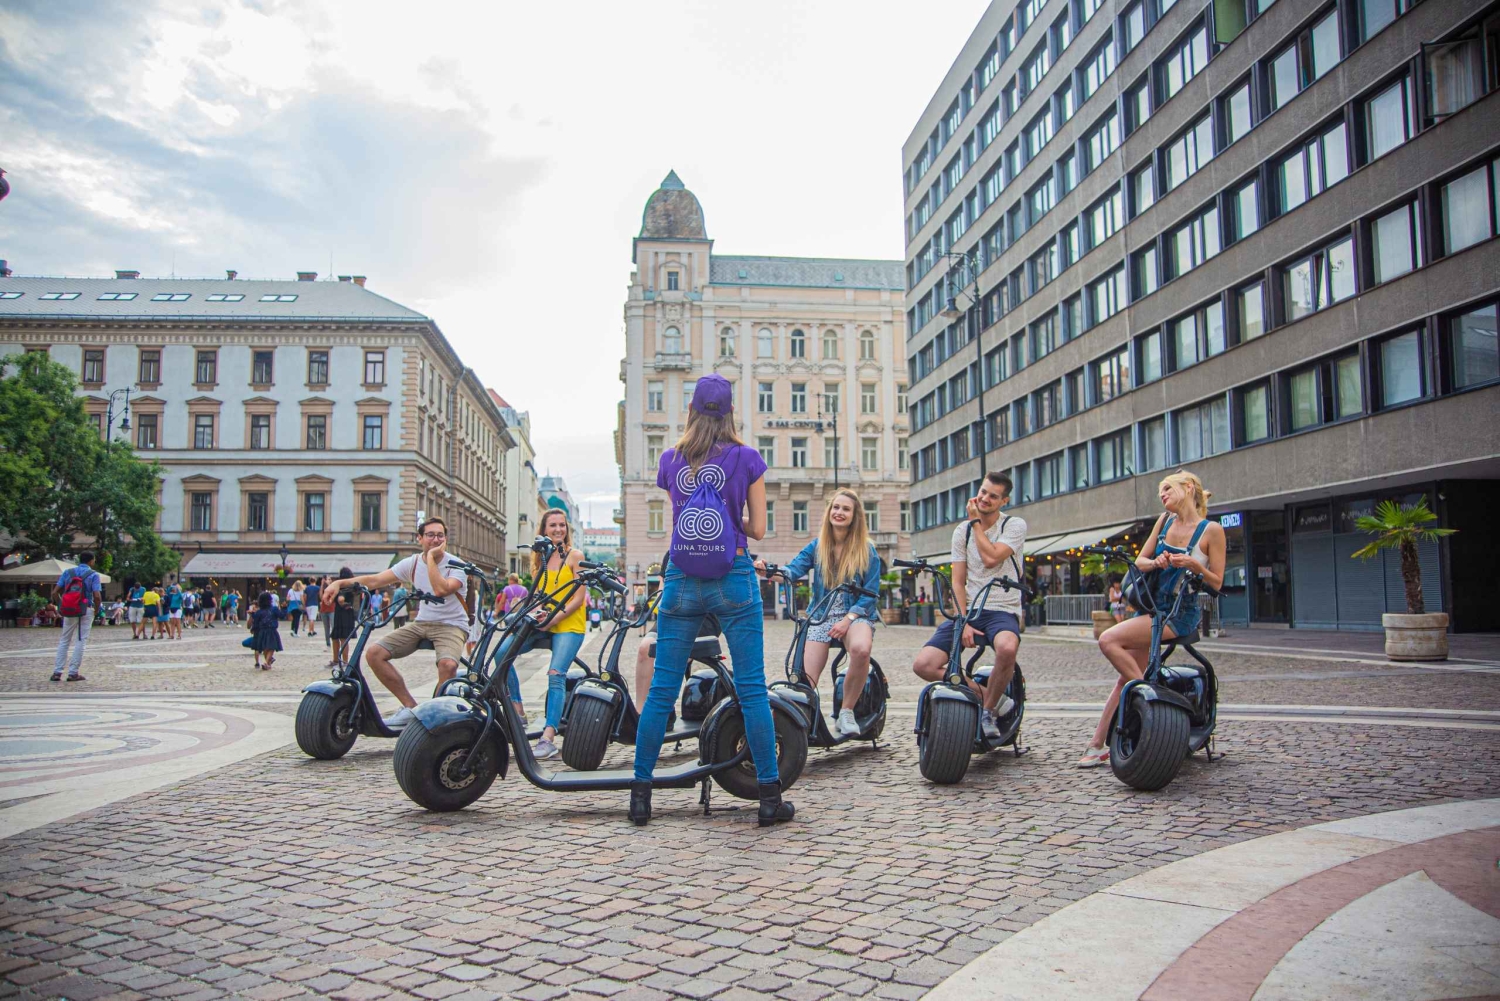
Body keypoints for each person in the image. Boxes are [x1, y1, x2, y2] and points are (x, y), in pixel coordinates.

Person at [630, 373, 791, 827]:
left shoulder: (670, 459)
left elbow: (683, 514)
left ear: (692, 411)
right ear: (731, 411)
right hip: (734, 575)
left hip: (680, 577)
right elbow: (757, 530)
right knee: (753, 687)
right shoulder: (747, 458)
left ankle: (640, 797)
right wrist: (728, 507)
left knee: (662, 689)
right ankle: (768, 798)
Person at [1079, 471, 1225, 768]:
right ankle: (1097, 744)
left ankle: (1149, 699)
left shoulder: (1211, 531)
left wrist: (1195, 565)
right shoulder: (1164, 521)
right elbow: (1140, 561)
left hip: (1178, 614)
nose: (1163, 495)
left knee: (1109, 640)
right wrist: (1156, 561)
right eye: (1161, 491)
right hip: (1150, 609)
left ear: (1188, 488)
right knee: (1125, 674)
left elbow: (1217, 583)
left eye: (1167, 489)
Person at [910, 471, 1028, 740]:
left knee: (1008, 648)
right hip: (971, 610)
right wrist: (962, 620)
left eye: (993, 496)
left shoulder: (1014, 525)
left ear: (1004, 501)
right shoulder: (960, 532)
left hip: (1002, 609)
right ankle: (989, 697)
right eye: (983, 492)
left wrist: (975, 522)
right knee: (924, 665)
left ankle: (987, 712)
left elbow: (991, 558)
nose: (985, 498)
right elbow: (959, 582)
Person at [759, 489, 882, 737]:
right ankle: (803, 718)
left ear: (855, 516)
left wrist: (848, 620)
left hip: (855, 614)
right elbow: (793, 570)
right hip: (822, 614)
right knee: (807, 679)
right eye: (836, 507)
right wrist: (770, 572)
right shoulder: (818, 546)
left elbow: (870, 594)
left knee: (860, 649)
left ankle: (846, 711)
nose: (839, 512)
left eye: (846, 509)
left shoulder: (866, 550)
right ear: (829, 512)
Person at [325, 522, 471, 729]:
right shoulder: (411, 563)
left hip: (452, 624)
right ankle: (410, 707)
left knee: (448, 666)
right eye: (430, 535)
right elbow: (375, 580)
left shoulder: (457, 565)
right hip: (422, 622)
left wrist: (430, 558)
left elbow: (441, 589)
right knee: (374, 654)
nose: (436, 540)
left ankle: (435, 717)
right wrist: (339, 584)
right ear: (419, 539)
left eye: (440, 535)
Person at [491, 509, 587, 759]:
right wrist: (536, 613)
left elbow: (578, 599)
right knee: (501, 653)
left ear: (567, 529)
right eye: (553, 525)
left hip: (568, 624)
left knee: (556, 675)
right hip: (544, 621)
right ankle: (518, 710)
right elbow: (538, 595)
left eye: (562, 525)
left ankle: (548, 736)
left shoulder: (575, 556)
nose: (558, 529)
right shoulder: (540, 559)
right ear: (544, 530)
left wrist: (553, 618)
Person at [51, 553, 102, 682]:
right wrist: (96, 609)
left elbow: (54, 592)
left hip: (69, 609)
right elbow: (97, 596)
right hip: (86, 609)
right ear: (91, 561)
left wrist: (62, 606)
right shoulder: (93, 575)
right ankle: (73, 672)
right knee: (81, 640)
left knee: (64, 640)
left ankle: (57, 672)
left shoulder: (68, 572)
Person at [327, 569, 358, 668]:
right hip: (347, 613)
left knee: (337, 637)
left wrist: (341, 602)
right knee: (343, 638)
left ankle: (337, 660)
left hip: (340, 613)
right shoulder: (351, 586)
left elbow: (340, 599)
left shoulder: (341, 587)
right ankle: (344, 661)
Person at [247, 592, 284, 670]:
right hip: (272, 630)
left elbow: (256, 623)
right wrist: (284, 608)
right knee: (271, 647)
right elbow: (281, 615)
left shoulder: (259, 612)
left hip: (262, 631)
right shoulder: (274, 609)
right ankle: (266, 663)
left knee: (265, 648)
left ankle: (268, 663)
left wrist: (253, 629)